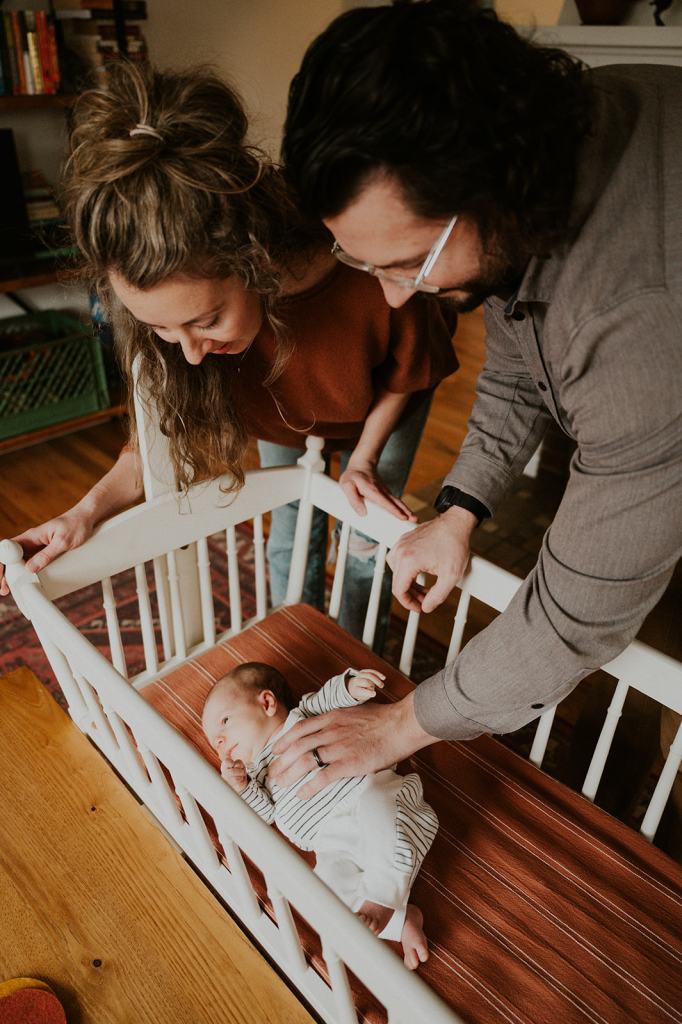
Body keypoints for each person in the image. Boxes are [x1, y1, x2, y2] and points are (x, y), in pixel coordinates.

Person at [267, 0, 682, 793]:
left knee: (651, 665)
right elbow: (520, 363)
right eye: (368, 265)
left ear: (496, 191)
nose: (394, 299)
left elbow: (577, 607)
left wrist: (400, 725)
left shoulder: (635, 323)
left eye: (411, 265)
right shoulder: (543, 161)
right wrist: (459, 510)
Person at [0, 61, 457, 647]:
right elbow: (159, 441)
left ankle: (352, 648)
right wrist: (84, 513)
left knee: (367, 545)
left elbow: (407, 374)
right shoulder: (181, 332)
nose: (192, 355)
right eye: (162, 329)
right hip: (288, 413)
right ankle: (301, 640)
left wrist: (364, 458)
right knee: (289, 535)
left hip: (385, 403)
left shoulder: (369, 269)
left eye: (206, 321)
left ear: (255, 260)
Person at [201, 661, 438, 969]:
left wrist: (350, 687)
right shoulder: (255, 776)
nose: (220, 741)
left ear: (267, 702)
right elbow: (265, 814)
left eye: (225, 721)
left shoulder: (301, 718)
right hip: (329, 841)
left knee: (382, 820)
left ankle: (381, 900)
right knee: (325, 889)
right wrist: (241, 787)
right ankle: (400, 922)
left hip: (365, 792)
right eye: (214, 742)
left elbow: (329, 698)